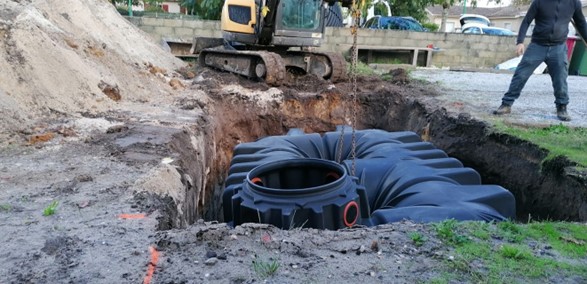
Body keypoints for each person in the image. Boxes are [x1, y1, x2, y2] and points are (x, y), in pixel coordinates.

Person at [493, 0, 587, 121]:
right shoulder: (539, 2)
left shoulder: (574, 3)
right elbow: (527, 20)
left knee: (560, 79)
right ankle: (506, 104)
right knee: (520, 75)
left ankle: (562, 108)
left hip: (558, 48)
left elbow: (581, 23)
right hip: (537, 46)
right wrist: (520, 42)